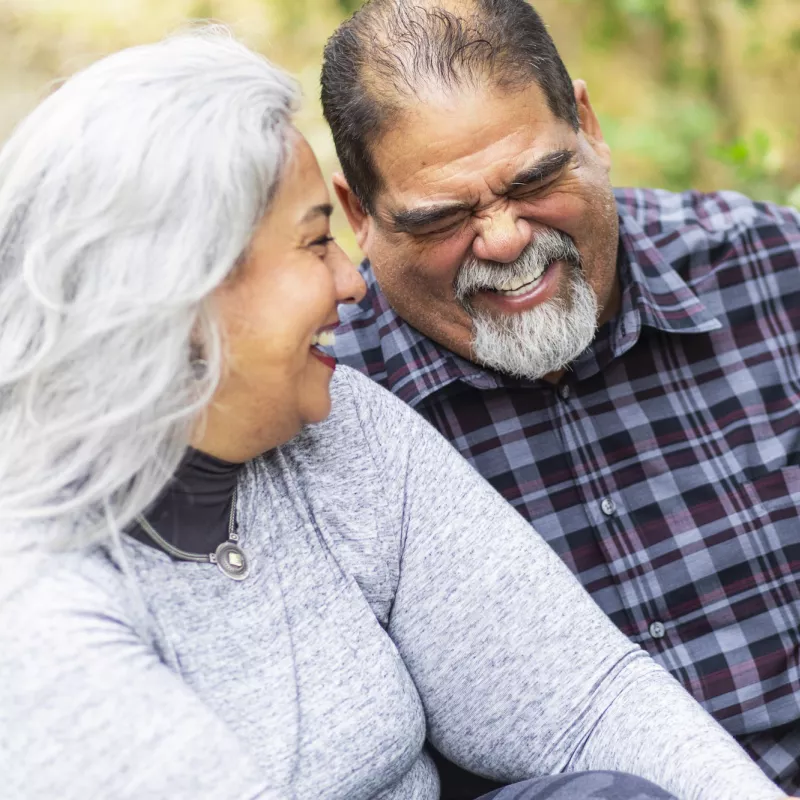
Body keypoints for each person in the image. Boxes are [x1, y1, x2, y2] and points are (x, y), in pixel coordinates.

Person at [0, 26, 789, 800]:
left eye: (532, 180)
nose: (350, 282)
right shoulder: (34, 595)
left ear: (587, 128)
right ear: (181, 285)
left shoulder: (341, 428)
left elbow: (580, 699)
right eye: (317, 245)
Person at [320, 0, 800, 795]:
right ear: (359, 213)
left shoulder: (772, 274)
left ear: (587, 124)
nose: (505, 240)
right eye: (443, 217)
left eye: (535, 179)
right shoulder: (326, 407)